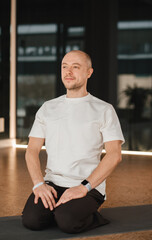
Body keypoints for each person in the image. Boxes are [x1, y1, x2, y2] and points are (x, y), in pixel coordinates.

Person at [22, 50, 125, 233]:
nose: (68, 72)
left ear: (89, 73)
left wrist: (83, 188)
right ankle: (60, 210)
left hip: (87, 185)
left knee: (67, 222)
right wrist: (39, 184)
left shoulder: (104, 109)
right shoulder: (48, 108)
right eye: (64, 67)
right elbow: (31, 150)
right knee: (31, 220)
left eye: (75, 67)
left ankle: (92, 216)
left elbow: (114, 155)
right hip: (53, 182)